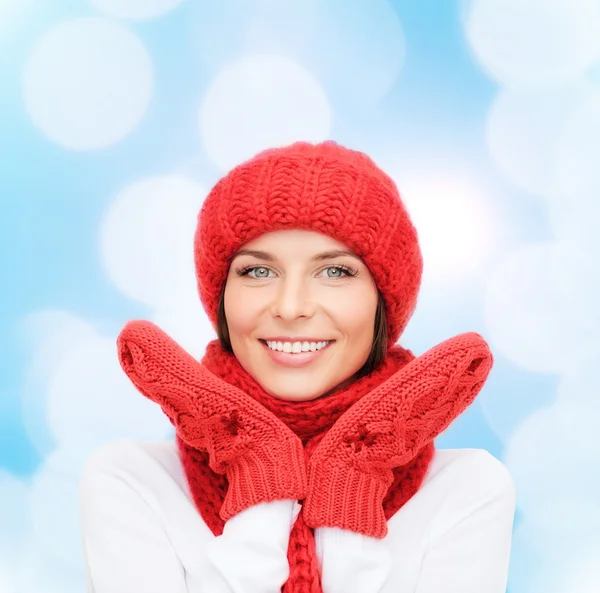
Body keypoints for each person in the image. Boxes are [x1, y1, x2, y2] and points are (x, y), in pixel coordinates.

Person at [78, 141, 516, 593]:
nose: (290, 307)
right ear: (222, 297)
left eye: (336, 272)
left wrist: (352, 482)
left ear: (382, 302)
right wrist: (257, 467)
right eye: (257, 272)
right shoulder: (133, 482)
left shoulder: (465, 491)